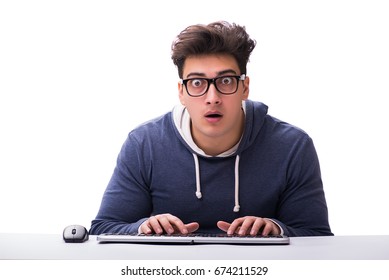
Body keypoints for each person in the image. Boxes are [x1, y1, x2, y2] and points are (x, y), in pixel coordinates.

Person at [89, 21, 333, 237]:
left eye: (225, 81)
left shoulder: (292, 146)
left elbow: (317, 236)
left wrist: (276, 229)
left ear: (245, 87)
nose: (212, 97)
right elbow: (103, 228)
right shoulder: (145, 143)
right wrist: (142, 227)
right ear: (181, 92)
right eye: (197, 83)